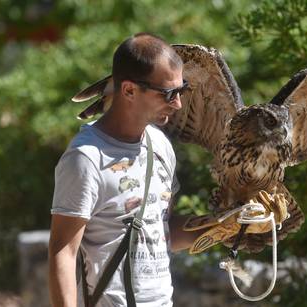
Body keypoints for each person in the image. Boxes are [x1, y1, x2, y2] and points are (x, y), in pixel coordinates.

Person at [48, 33, 204, 307]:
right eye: (168, 93)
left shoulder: (160, 146)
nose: (178, 103)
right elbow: (63, 252)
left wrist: (228, 225)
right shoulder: (86, 159)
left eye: (181, 90)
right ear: (129, 90)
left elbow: (161, 232)